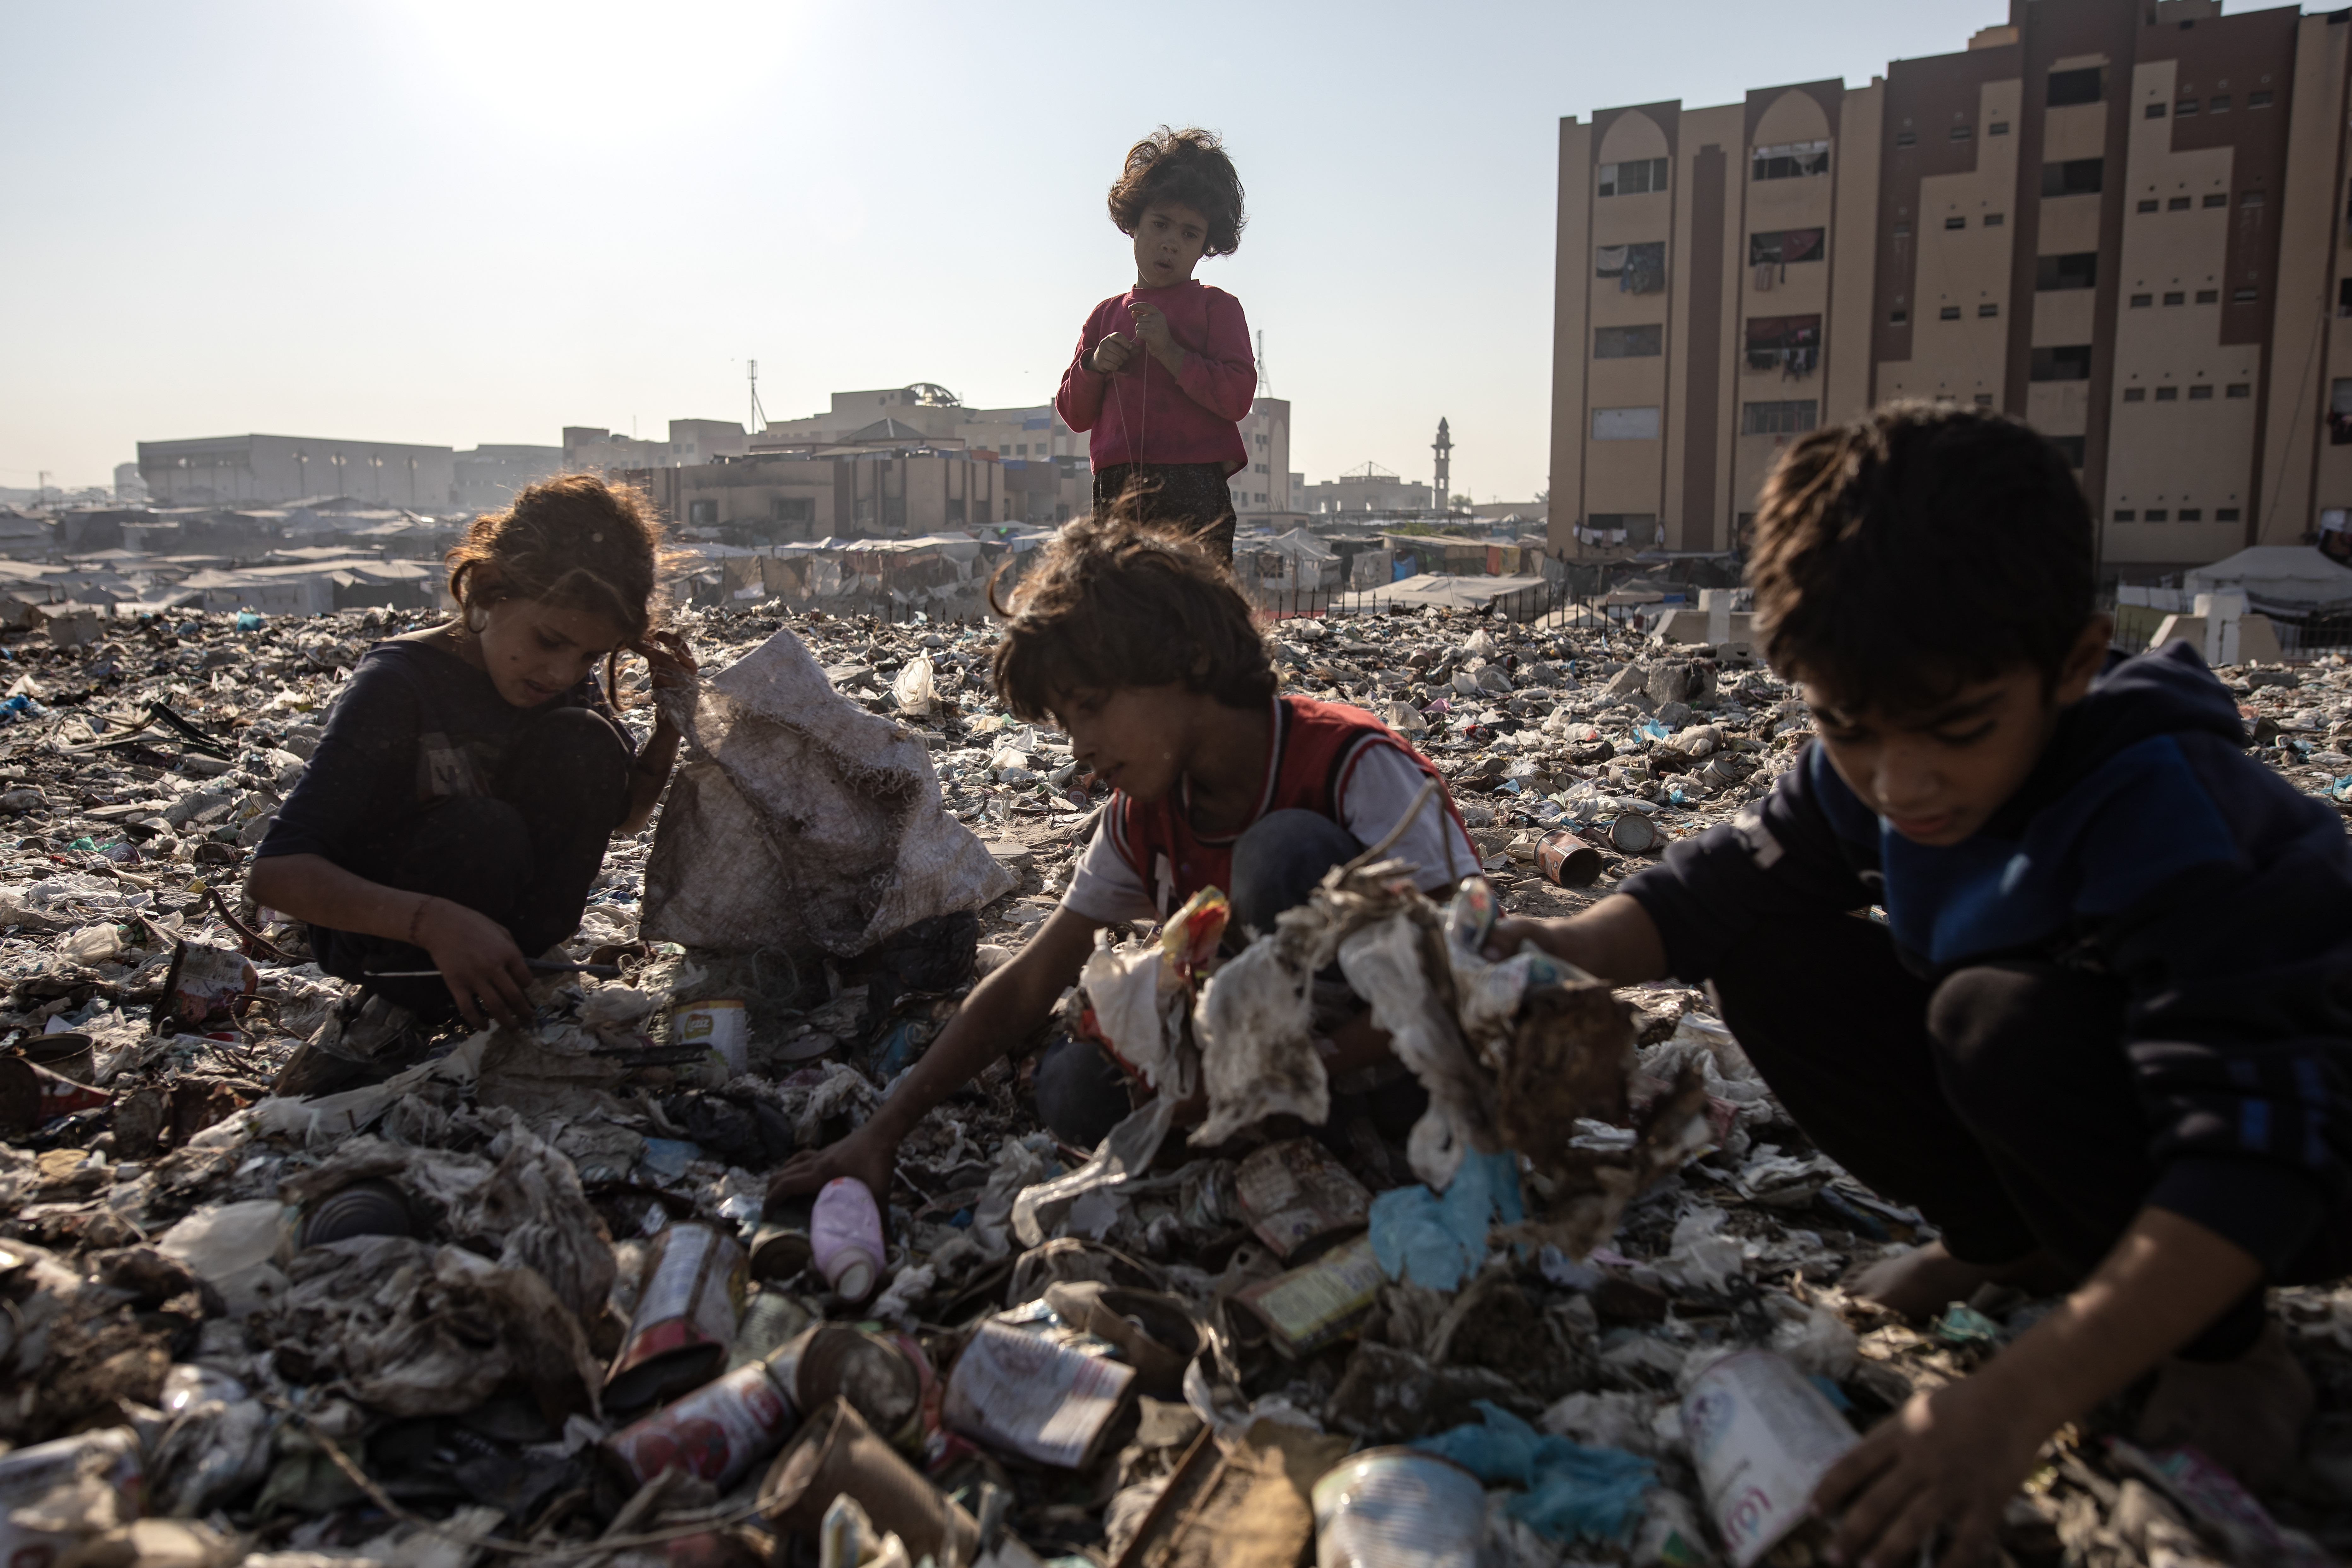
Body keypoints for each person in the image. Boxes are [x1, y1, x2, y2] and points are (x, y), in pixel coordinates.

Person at [1494, 404, 2350, 1566]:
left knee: (1995, 1020)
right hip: (2099, 1110)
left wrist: (2018, 1399)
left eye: (1956, 728)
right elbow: (1708, 893)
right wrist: (1537, 947)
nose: (1901, 782)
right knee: (1771, 951)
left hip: (2292, 1152)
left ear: (2077, 665)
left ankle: (2228, 1342)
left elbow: (2251, 1141)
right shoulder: (1890, 755)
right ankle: (2016, 1244)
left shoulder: (2166, 808)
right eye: (1848, 729)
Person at [771, 515, 1476, 1202]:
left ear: (1187, 660)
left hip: (1402, 1063)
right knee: (1073, 1084)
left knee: (1283, 853)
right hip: (1253, 1076)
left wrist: (1292, 1072)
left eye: (1090, 707)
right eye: (1066, 722)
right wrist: (884, 1132)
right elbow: (1029, 983)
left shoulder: (1349, 763)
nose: (1079, 747)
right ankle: (1273, 1138)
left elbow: (1468, 961)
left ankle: (1333, 1128)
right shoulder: (1143, 815)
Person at [250, 473, 696, 1045]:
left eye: (590, 656)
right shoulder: (400, 684)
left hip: (505, 940)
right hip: (402, 947)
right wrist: (433, 922)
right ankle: (429, 1004)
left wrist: (669, 726)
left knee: (587, 741)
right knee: (484, 829)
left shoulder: (559, 686)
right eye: (549, 640)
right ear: (487, 589)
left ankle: (522, 972)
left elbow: (626, 818)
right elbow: (276, 874)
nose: (564, 672)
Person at [1056, 127, 1257, 565]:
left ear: (1206, 245)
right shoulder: (1106, 316)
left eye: (1189, 234)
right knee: (1121, 604)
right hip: (1117, 490)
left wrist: (1171, 352)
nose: (1170, 242)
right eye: (1160, 224)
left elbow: (1238, 397)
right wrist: (1093, 365)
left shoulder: (1217, 310)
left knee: (1194, 606)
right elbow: (1073, 412)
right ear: (1134, 225)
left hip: (1195, 488)